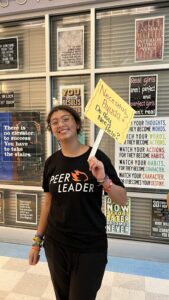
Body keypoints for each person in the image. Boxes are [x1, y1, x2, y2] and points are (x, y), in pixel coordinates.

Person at [29, 104, 127, 300]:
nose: (60, 124)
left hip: (90, 247)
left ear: (77, 124)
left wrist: (103, 178)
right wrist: (37, 241)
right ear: (52, 130)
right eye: (54, 122)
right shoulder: (51, 162)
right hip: (56, 245)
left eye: (66, 119)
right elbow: (48, 204)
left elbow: (122, 199)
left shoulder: (96, 158)